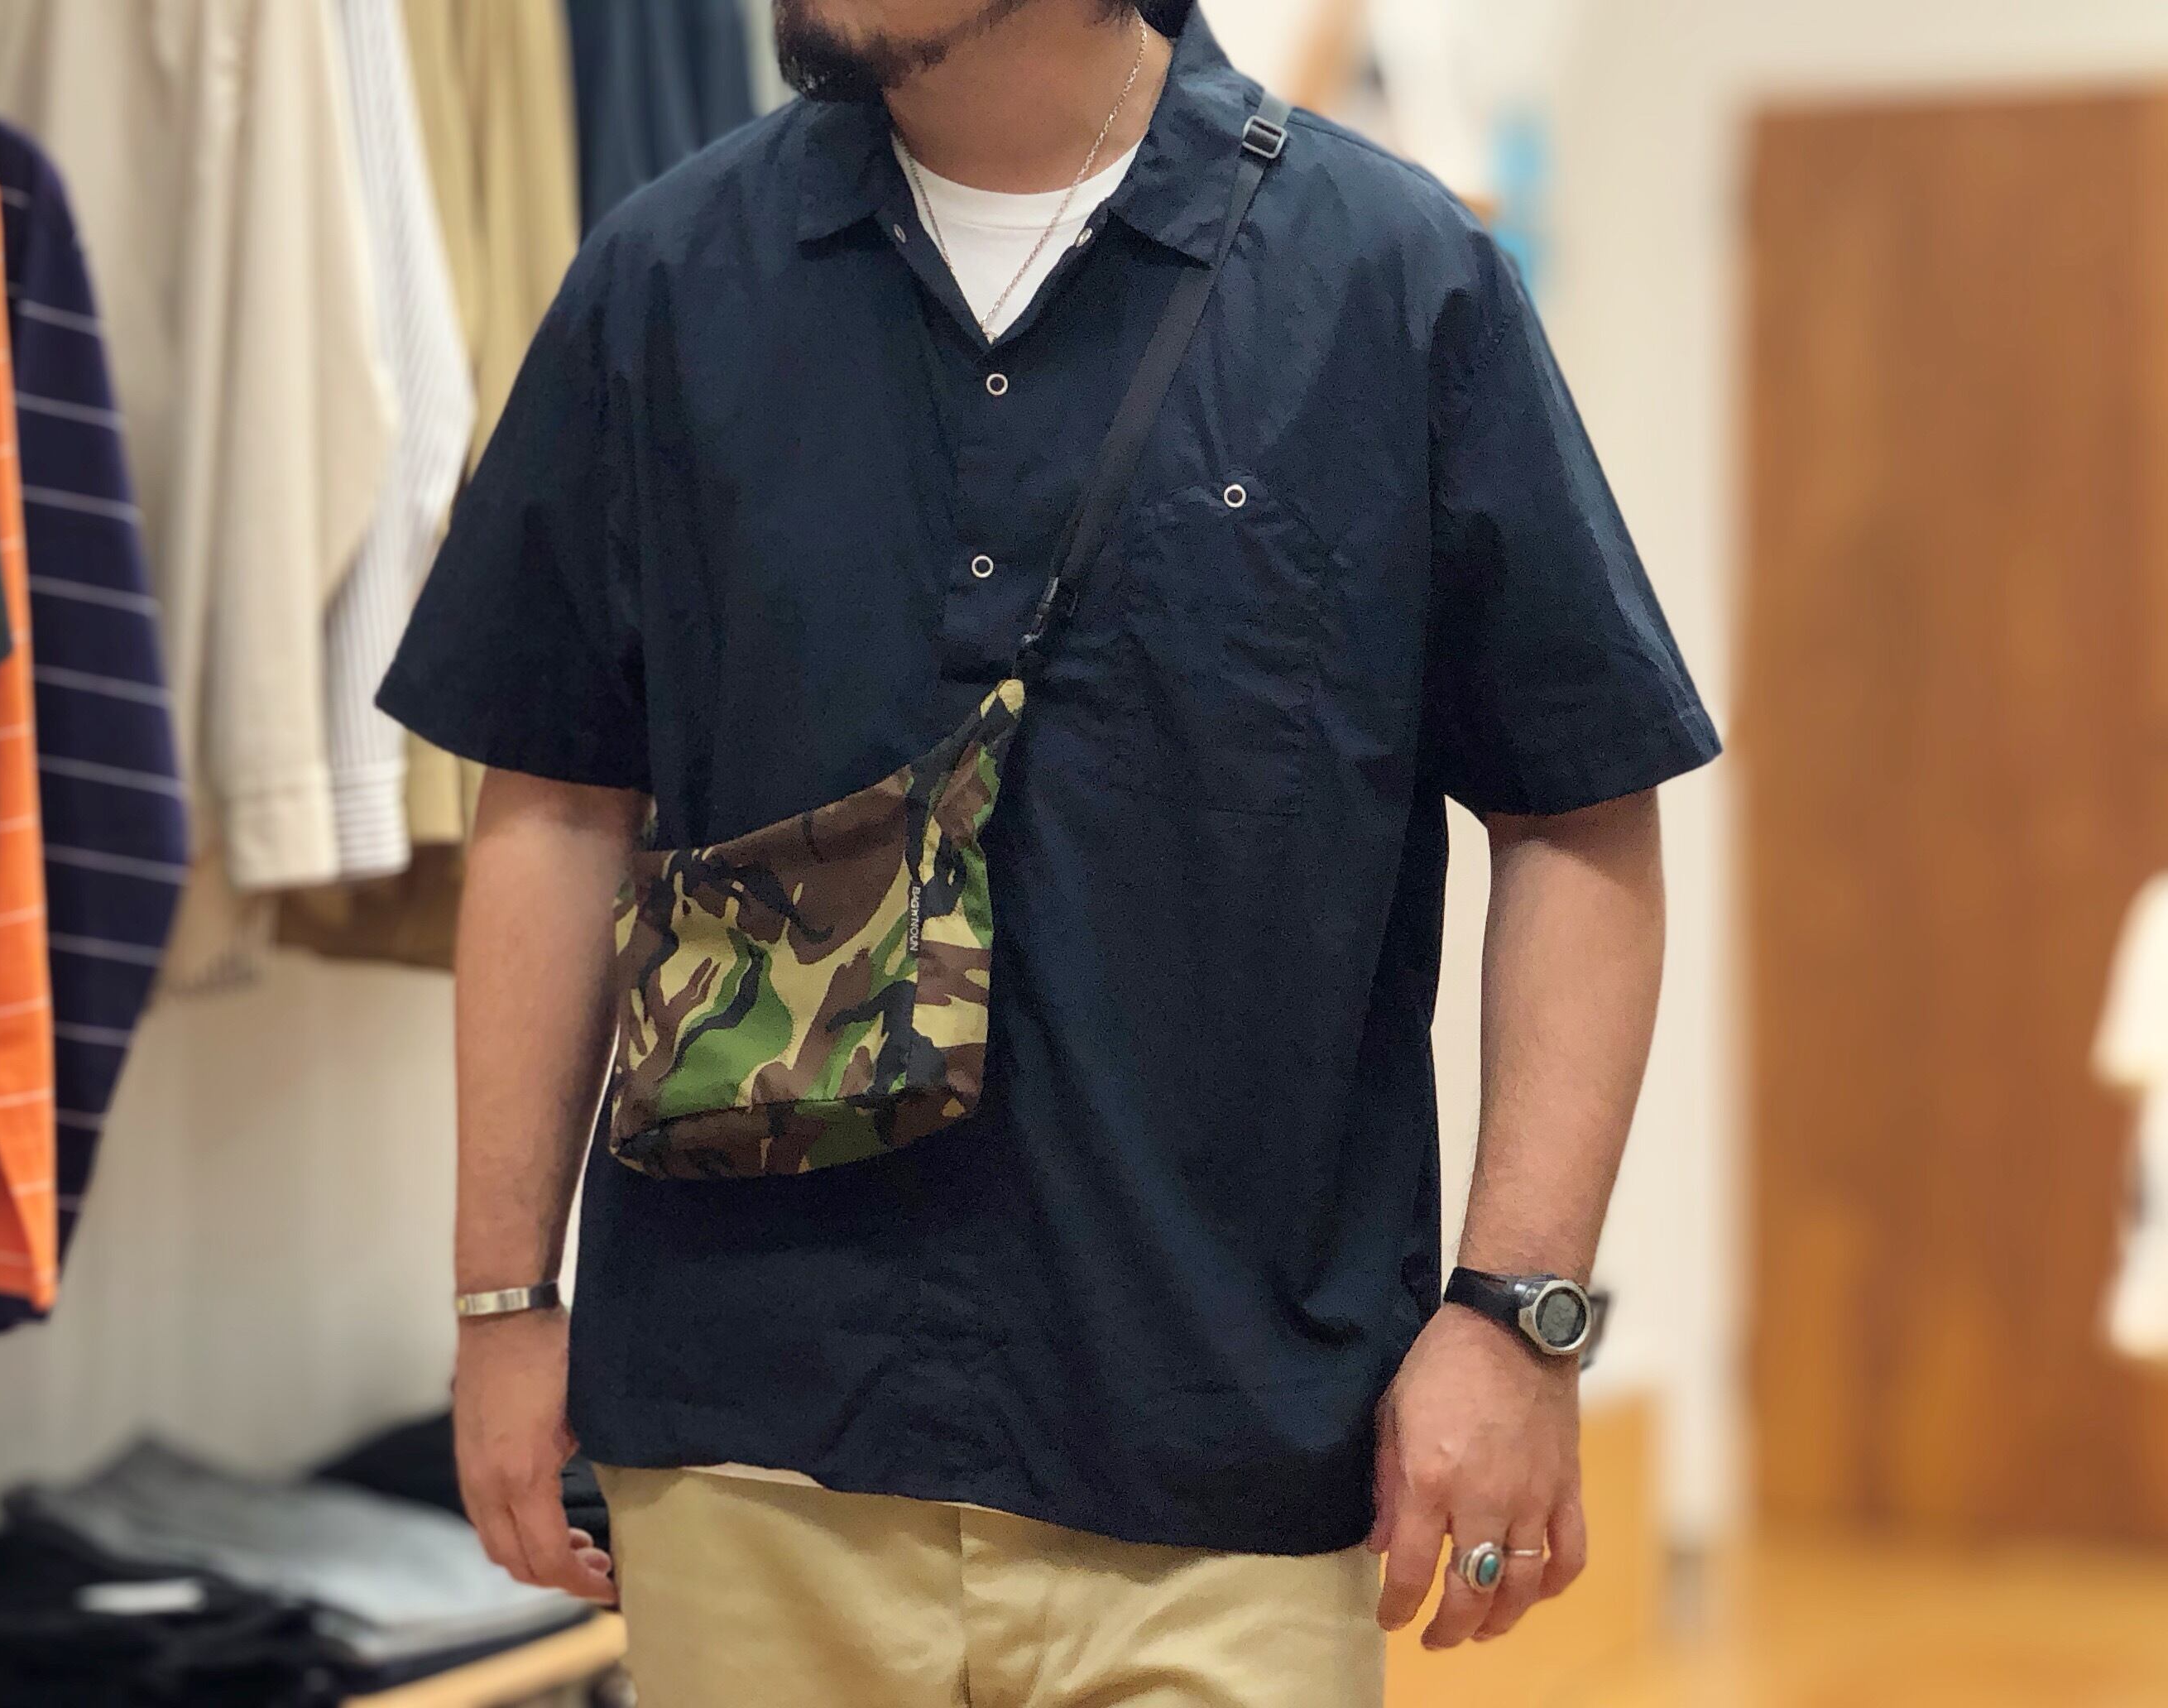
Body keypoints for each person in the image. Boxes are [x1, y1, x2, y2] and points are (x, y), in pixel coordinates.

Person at [377, 2, 1720, 1702]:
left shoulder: (1387, 284)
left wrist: (1520, 1315)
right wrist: (501, 1306)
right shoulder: (663, 283)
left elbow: (1577, 811)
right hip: (749, 1444)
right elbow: (556, 803)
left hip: (1223, 1461)